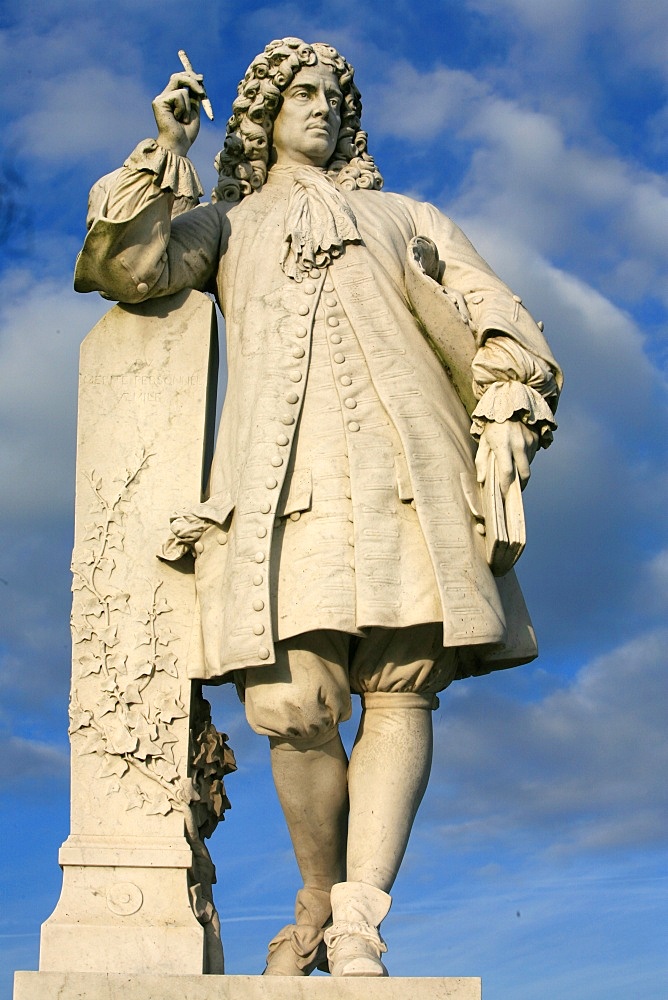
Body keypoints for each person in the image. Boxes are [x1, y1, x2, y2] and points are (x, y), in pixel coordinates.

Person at [75, 37, 561, 978]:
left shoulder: (408, 215)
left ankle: (359, 919)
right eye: (302, 91)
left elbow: (502, 317)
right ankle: (316, 892)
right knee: (292, 705)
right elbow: (129, 270)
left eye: (338, 93)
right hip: (278, 488)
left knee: (402, 682)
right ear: (260, 112)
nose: (324, 105)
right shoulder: (224, 222)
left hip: (407, 469)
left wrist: (504, 411)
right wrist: (166, 151)